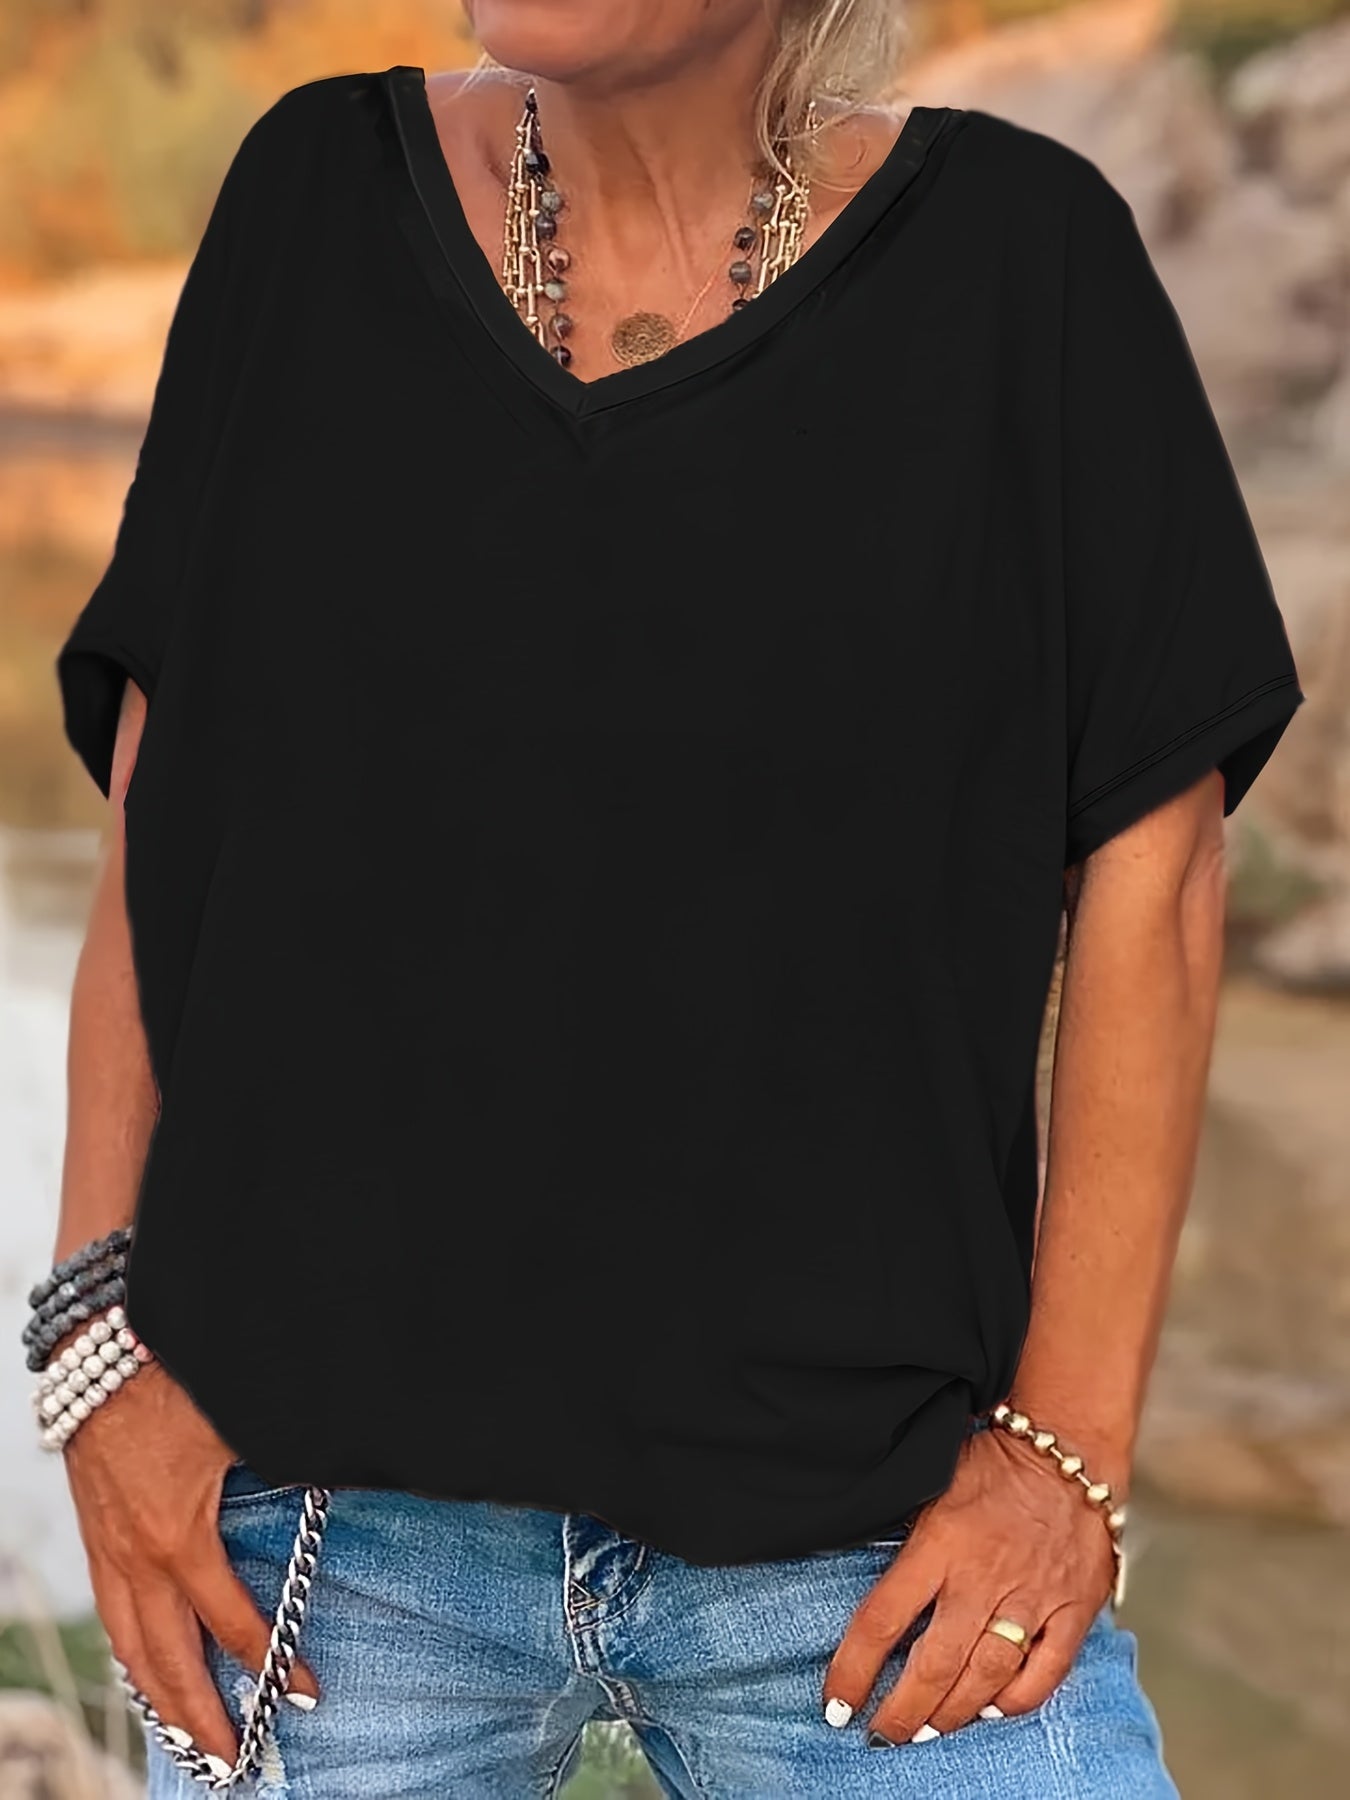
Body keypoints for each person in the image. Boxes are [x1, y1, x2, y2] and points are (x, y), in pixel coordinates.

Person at [37, 1, 1303, 1794]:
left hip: (871, 1541)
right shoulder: (309, 196)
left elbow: (1153, 867)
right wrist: (98, 1352)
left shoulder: (1026, 261)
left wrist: (1065, 1458)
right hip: (321, 1549)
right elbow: (162, 808)